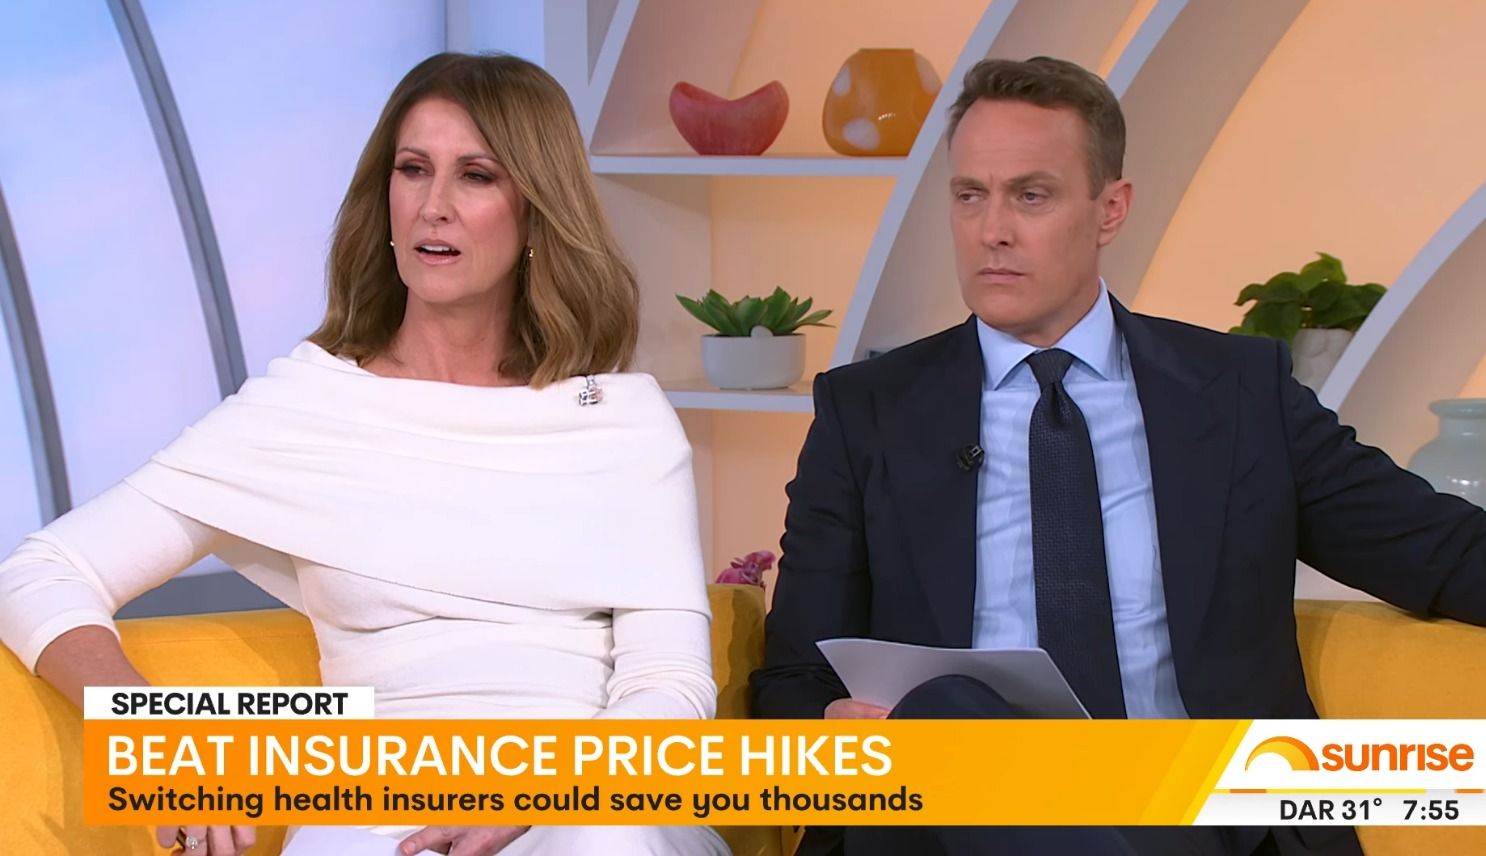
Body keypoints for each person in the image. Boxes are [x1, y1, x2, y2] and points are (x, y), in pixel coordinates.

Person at [750, 55, 1486, 856]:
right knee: (946, 713)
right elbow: (794, 677)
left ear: (1111, 209)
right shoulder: (869, 411)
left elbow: (1442, 552)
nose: (992, 230)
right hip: (954, 818)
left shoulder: (1239, 394)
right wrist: (830, 724)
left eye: (1031, 195)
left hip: (1193, 812)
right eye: (969, 196)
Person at [0, 52, 730, 856]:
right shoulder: (306, 409)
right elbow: (41, 571)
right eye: (413, 170)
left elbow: (670, 684)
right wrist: (156, 735)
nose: (434, 206)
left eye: (476, 176)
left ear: (536, 212)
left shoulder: (621, 424)